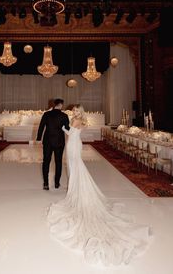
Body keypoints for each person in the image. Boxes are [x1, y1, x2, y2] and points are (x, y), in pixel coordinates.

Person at [47, 104, 151, 266]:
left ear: (79, 112)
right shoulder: (79, 120)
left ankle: (77, 192)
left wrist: (63, 128)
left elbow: (71, 132)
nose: (73, 112)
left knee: (75, 168)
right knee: (74, 168)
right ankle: (75, 190)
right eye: (73, 110)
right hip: (74, 144)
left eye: (75, 110)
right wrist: (64, 129)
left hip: (73, 146)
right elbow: (72, 133)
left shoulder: (75, 120)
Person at [36, 98, 70, 190]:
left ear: (54, 105)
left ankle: (46, 184)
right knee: (58, 162)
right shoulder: (64, 116)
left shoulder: (46, 114)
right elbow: (68, 128)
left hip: (48, 141)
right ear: (61, 105)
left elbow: (41, 127)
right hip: (59, 142)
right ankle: (56, 183)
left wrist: (39, 138)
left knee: (46, 161)